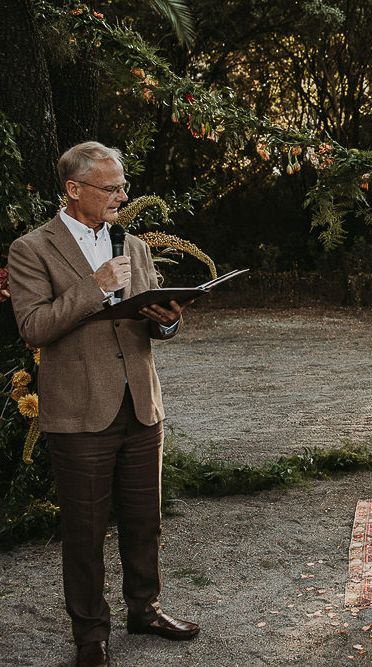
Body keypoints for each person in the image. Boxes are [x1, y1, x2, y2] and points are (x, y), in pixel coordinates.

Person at [8, 141, 199, 667]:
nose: (122, 196)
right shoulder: (32, 249)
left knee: (144, 520)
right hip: (78, 412)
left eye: (122, 186)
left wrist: (169, 320)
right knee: (85, 531)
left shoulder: (133, 246)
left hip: (141, 404)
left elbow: (151, 313)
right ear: (74, 190)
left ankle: (146, 608)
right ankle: (90, 634)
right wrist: (95, 286)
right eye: (111, 188)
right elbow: (34, 327)